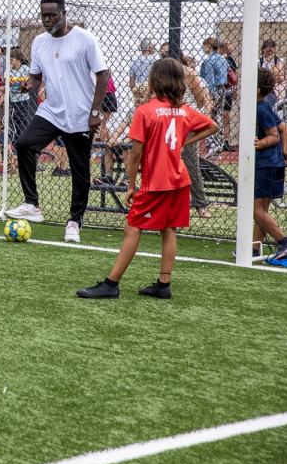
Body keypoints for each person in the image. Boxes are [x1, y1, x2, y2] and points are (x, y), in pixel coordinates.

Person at [76, 58, 218, 299]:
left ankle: (111, 284)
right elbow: (212, 126)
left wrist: (131, 186)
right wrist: (186, 140)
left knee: (132, 228)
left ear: (155, 81)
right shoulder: (184, 111)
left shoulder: (145, 111)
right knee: (168, 229)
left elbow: (136, 154)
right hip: (180, 180)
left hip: (157, 183)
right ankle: (163, 285)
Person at [6, 0, 109, 244]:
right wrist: (29, 85)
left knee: (80, 171)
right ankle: (32, 204)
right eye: (44, 16)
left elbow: (103, 75)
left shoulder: (84, 39)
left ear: (64, 13)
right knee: (24, 144)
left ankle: (74, 221)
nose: (47, 20)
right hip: (51, 111)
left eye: (52, 15)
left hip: (80, 115)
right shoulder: (39, 42)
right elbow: (36, 76)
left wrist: (95, 113)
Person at [252, 68, 287, 260]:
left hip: (265, 164)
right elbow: (283, 128)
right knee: (262, 210)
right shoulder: (264, 106)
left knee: (256, 209)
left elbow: (273, 135)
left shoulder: (260, 109)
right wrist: (284, 151)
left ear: (257, 89)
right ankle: (255, 249)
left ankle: (283, 241)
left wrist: (261, 143)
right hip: (274, 162)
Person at [94, 83, 149, 187]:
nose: (137, 99)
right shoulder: (132, 111)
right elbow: (122, 126)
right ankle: (108, 176)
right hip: (129, 138)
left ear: (148, 98)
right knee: (108, 147)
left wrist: (125, 141)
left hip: (141, 142)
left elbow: (139, 132)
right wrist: (114, 138)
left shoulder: (147, 112)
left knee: (126, 149)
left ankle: (128, 177)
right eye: (136, 96)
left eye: (141, 97)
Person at [180, 54, 213, 219]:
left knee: (191, 164)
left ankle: (200, 205)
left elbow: (201, 101)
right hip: (167, 121)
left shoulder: (188, 72)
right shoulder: (162, 72)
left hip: (186, 121)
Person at [200, 36, 229, 158]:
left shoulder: (208, 61)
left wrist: (209, 96)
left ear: (208, 46)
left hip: (213, 89)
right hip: (222, 88)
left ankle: (212, 144)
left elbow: (209, 79)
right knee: (219, 116)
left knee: (210, 117)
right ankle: (219, 144)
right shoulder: (222, 59)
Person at [8, 48, 33, 143]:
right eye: (10, 59)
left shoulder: (25, 69)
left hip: (23, 101)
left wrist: (22, 81)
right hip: (13, 101)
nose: (10, 61)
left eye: (12, 59)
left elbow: (29, 82)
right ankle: (14, 144)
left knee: (23, 123)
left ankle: (23, 142)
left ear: (18, 59)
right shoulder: (9, 70)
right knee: (14, 124)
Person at [219, 41, 238, 152]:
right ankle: (217, 139)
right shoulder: (216, 59)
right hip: (218, 89)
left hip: (227, 90)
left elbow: (234, 76)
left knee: (226, 114)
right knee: (217, 114)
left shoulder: (230, 60)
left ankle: (226, 140)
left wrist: (234, 90)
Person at [258, 39, 285, 110]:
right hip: (264, 90)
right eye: (267, 51)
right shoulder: (260, 61)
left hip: (276, 91)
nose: (270, 53)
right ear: (264, 50)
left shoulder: (278, 60)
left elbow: (279, 77)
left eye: (271, 51)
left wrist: (271, 64)